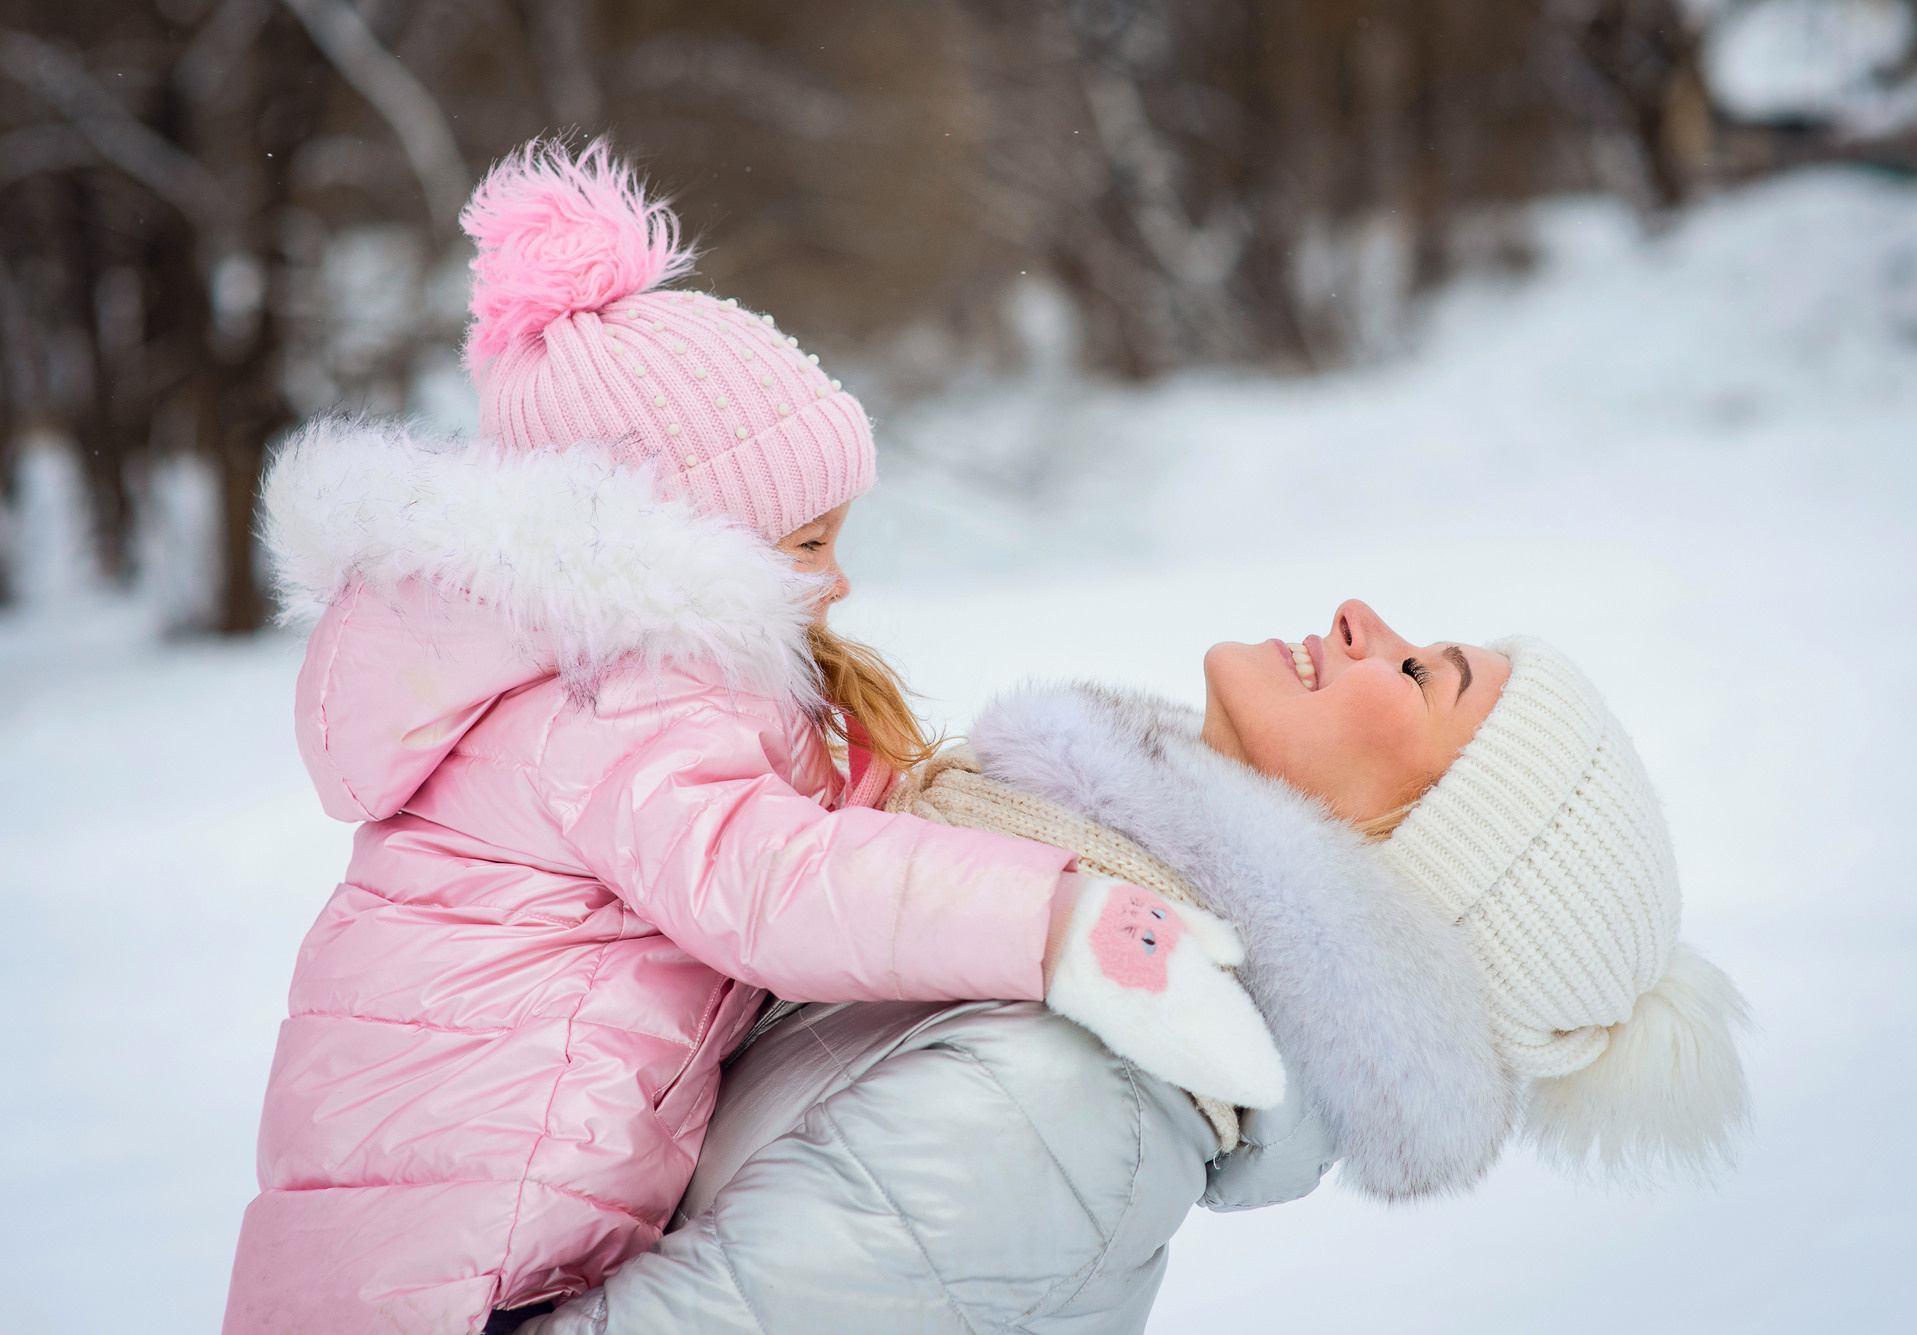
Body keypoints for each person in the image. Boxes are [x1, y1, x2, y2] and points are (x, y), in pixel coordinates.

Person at [219, 142, 1275, 1335]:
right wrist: (1061, 922)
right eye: (807, 543)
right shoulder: (615, 694)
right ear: (684, 546)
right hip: (464, 1278)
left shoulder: (561, 676)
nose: (836, 581)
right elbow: (768, 881)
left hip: (413, 1253)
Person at [516, 604, 1752, 1335]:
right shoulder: (1021, 906)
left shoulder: (1069, 1096)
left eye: (1423, 675)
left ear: (1418, 857)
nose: (1360, 621)